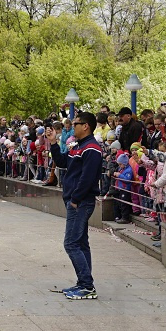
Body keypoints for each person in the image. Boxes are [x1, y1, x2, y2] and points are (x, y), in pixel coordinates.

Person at [51, 110, 104, 300]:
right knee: (81, 242)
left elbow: (87, 178)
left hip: (80, 202)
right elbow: (63, 162)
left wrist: (75, 198)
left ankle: (87, 285)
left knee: (71, 243)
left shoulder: (92, 149)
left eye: (75, 124)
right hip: (75, 200)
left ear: (86, 126)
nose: (72, 127)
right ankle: (83, 283)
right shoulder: (78, 146)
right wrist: (53, 144)